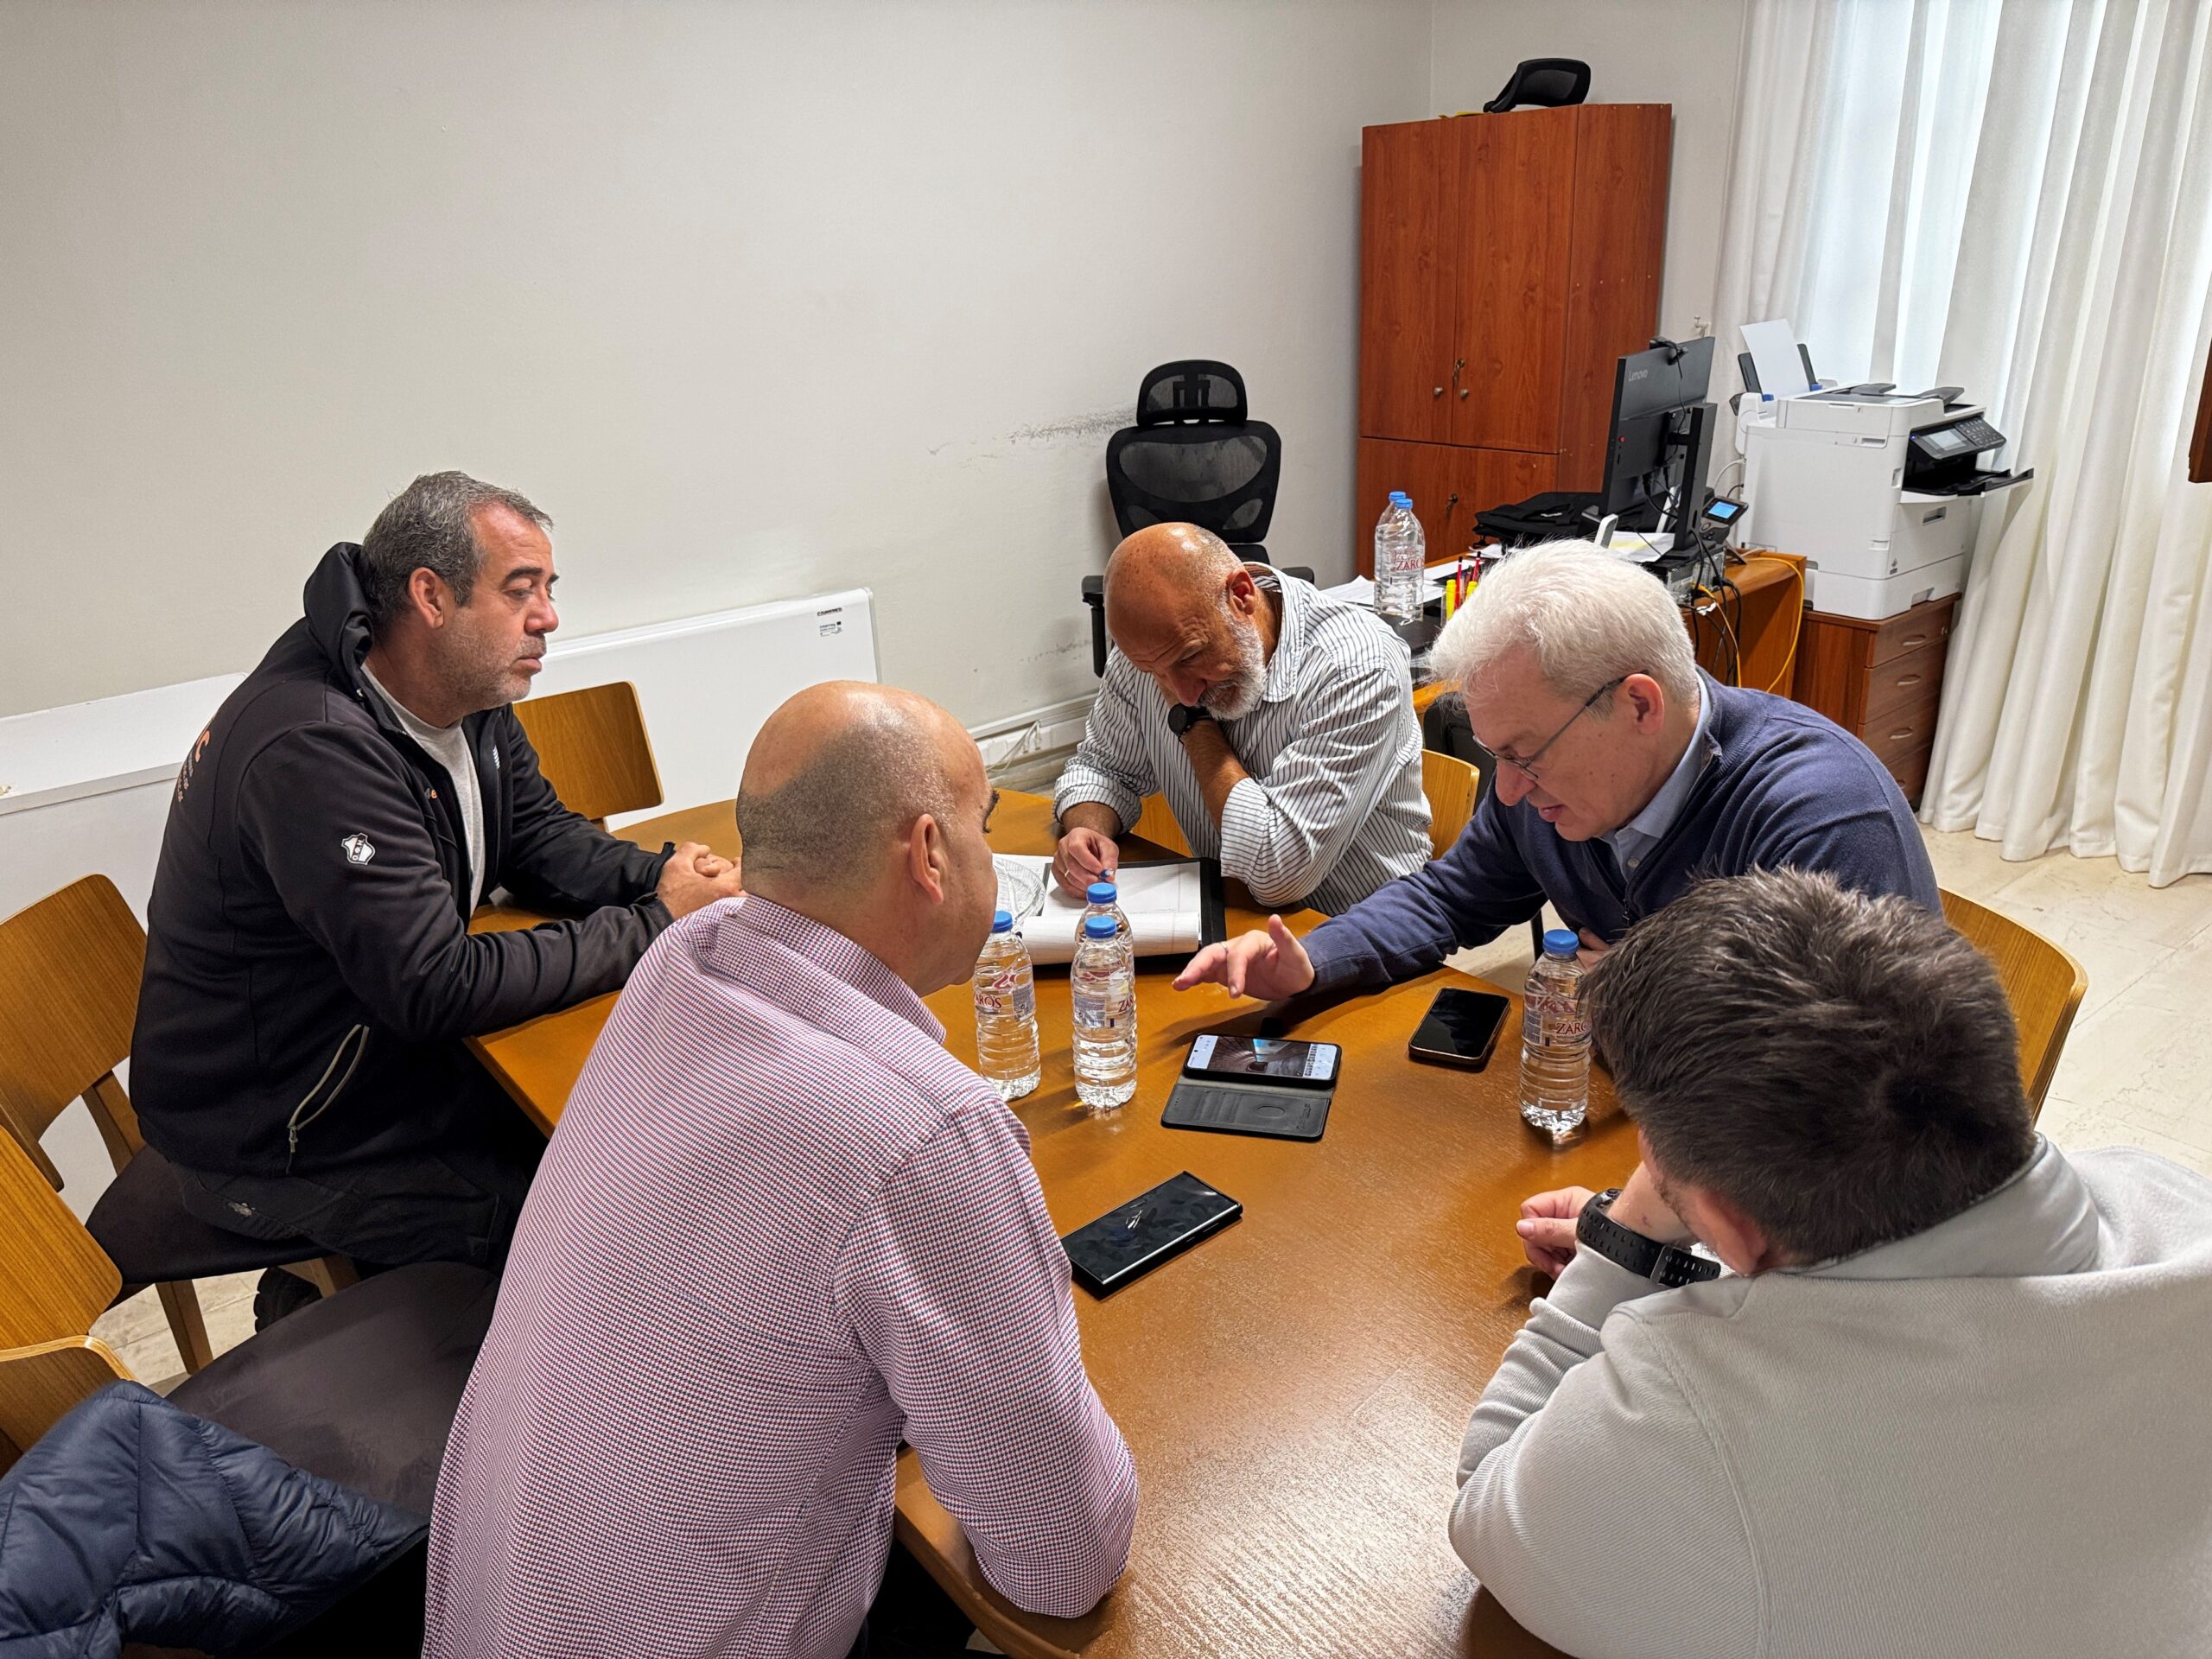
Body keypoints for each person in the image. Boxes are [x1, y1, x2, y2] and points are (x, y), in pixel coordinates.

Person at [427, 682, 1137, 1659]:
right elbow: (1064, 1561)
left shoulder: (681, 960)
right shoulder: (921, 1133)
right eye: (982, 826)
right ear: (929, 855)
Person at [1449, 868, 2212, 1657]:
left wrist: (1628, 1235)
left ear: (1731, 1227)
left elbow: (1491, 1503)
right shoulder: (2170, 1199)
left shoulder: (1695, 1429)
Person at [130, 472, 741, 1284]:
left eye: (549, 589)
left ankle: (329, 1300)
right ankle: (339, 1314)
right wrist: (656, 922)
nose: (548, 616)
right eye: (520, 590)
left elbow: (536, 836)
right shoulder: (313, 749)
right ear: (431, 597)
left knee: (631, 1130)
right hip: (280, 1130)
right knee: (592, 1221)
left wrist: (666, 878)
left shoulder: (460, 686)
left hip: (373, 1058)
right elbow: (436, 986)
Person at [1174, 540, 1939, 1001]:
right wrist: (1313, 961)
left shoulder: (1821, 819)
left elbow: (1850, 1083)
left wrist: (1644, 993)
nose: (1506, 790)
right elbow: (1450, 898)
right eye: (1497, 755)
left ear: (1639, 704)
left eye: (1525, 756)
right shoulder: (1548, 786)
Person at [1052, 522, 1429, 915]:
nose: (1183, 692)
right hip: (1232, 910)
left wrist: (1193, 722)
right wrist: (1087, 832)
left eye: (1190, 657)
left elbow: (1276, 872)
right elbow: (1101, 768)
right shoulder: (1154, 650)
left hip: (1362, 925)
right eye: (1156, 673)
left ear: (1242, 595)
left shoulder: (1358, 668)